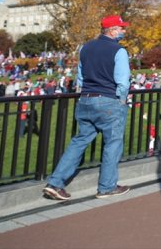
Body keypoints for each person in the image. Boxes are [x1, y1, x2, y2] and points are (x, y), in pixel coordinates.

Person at [43, 15, 132, 201]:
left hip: (86, 99)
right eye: (121, 28)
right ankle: (107, 187)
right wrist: (122, 101)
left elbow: (81, 78)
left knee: (79, 141)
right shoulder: (119, 51)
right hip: (109, 100)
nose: (124, 31)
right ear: (112, 30)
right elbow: (123, 82)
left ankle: (55, 183)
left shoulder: (86, 48)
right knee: (113, 144)